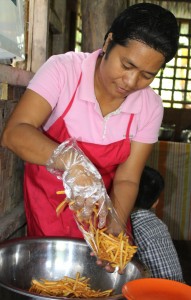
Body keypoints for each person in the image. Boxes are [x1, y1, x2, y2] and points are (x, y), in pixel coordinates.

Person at [1, 3, 179, 268]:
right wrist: (72, 161)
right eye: (127, 65)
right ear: (108, 42)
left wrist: (114, 229)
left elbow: (128, 179)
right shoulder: (64, 71)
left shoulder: (149, 106)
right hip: (49, 207)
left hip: (104, 213)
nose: (130, 82)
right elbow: (15, 133)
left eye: (146, 75)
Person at [131, 166, 184, 282]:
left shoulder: (129, 225)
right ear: (156, 203)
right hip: (179, 290)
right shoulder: (159, 224)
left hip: (155, 292)